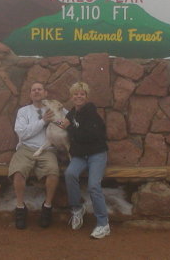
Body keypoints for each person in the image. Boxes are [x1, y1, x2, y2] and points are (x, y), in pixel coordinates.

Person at [8, 81, 60, 229]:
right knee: (18, 172)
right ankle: (20, 208)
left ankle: (47, 206)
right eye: (34, 90)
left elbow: (66, 121)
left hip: (47, 150)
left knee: (53, 173)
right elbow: (22, 133)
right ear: (30, 95)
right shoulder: (23, 111)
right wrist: (43, 121)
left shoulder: (53, 108)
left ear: (45, 93)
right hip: (25, 148)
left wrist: (62, 122)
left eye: (40, 89)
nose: (37, 92)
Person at [63, 81, 110, 239]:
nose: (78, 96)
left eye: (81, 94)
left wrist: (70, 127)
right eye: (76, 94)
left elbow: (89, 135)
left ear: (86, 97)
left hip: (97, 154)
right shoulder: (71, 114)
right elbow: (64, 125)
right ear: (71, 97)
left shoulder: (91, 113)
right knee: (69, 174)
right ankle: (77, 208)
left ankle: (103, 224)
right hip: (80, 156)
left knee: (93, 186)